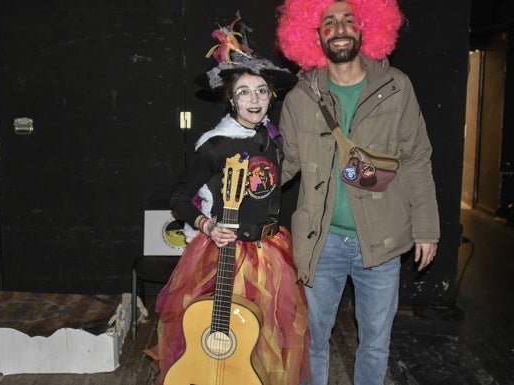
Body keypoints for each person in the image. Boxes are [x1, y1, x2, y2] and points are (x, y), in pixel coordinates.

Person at [276, 1, 440, 384]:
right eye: (328, 22)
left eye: (349, 19)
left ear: (367, 27)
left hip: (381, 244)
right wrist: (243, 186)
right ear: (314, 35)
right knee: (312, 342)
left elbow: (417, 159)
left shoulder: (397, 87)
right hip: (320, 242)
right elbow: (286, 163)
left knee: (376, 344)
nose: (340, 28)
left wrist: (427, 229)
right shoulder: (301, 97)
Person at [151, 18, 309, 385]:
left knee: (269, 338)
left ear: (271, 96)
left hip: (271, 252)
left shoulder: (273, 138)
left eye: (261, 91)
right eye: (244, 92)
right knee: (224, 334)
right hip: (227, 255)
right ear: (231, 98)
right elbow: (180, 198)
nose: (254, 100)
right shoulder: (216, 143)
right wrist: (207, 225)